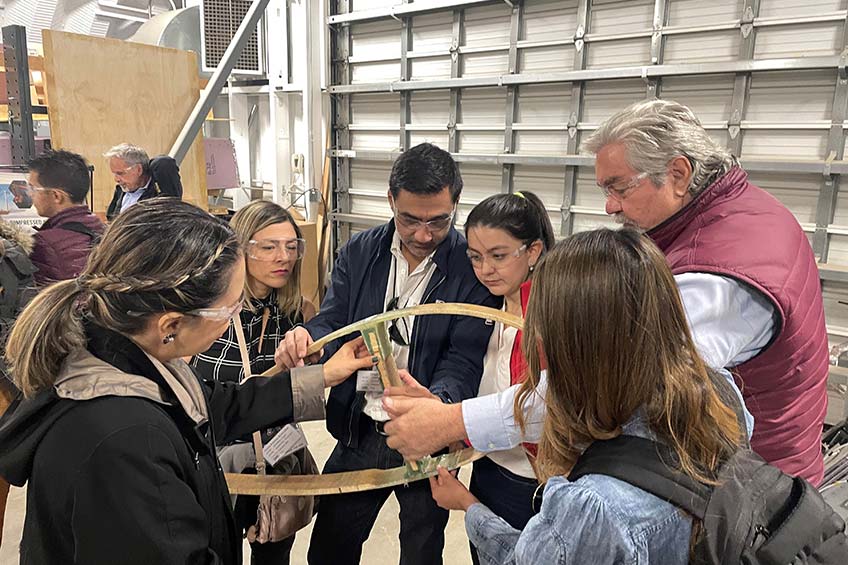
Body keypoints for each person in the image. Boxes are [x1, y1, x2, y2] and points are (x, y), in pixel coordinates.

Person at [383, 99, 828, 486]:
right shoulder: (726, 220)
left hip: (747, 497)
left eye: (618, 187)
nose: (609, 206)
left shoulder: (718, 274)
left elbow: (607, 392)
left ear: (678, 174)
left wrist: (451, 421)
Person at [0, 199, 372, 565]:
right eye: (229, 308)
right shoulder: (125, 441)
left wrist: (322, 375)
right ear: (171, 324)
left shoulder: (127, 354)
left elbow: (217, 405)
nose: (234, 317)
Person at [427, 228, 744, 564]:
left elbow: (526, 559)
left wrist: (468, 505)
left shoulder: (594, 508)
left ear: (572, 341)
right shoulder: (719, 391)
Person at [275, 142, 497, 565]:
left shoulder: (471, 268)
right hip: (360, 426)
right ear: (390, 199)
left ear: (455, 205)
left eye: (438, 221)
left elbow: (464, 358)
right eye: (409, 219)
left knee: (421, 546)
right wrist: (307, 336)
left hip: (427, 437)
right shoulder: (360, 252)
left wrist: (437, 410)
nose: (423, 234)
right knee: (331, 545)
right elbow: (333, 320)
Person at [192, 200, 329, 564]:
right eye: (268, 247)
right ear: (240, 249)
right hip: (220, 463)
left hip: (278, 458)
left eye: (290, 246)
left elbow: (305, 394)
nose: (282, 257)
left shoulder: (298, 314)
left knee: (275, 554)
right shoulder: (212, 314)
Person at [461, 190, 553, 562]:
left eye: (498, 256)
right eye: (475, 257)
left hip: (535, 483)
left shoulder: (550, 318)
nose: (485, 269)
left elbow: (543, 411)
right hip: (486, 468)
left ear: (532, 252)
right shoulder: (487, 307)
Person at [27, 150, 105, 285]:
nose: (30, 194)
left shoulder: (44, 244)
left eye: (33, 189)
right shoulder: (105, 229)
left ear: (57, 196)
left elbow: (42, 300)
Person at [104, 143, 183, 220]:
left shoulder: (158, 192)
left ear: (139, 169)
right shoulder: (120, 191)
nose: (116, 179)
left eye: (120, 173)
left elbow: (163, 163)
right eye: (114, 174)